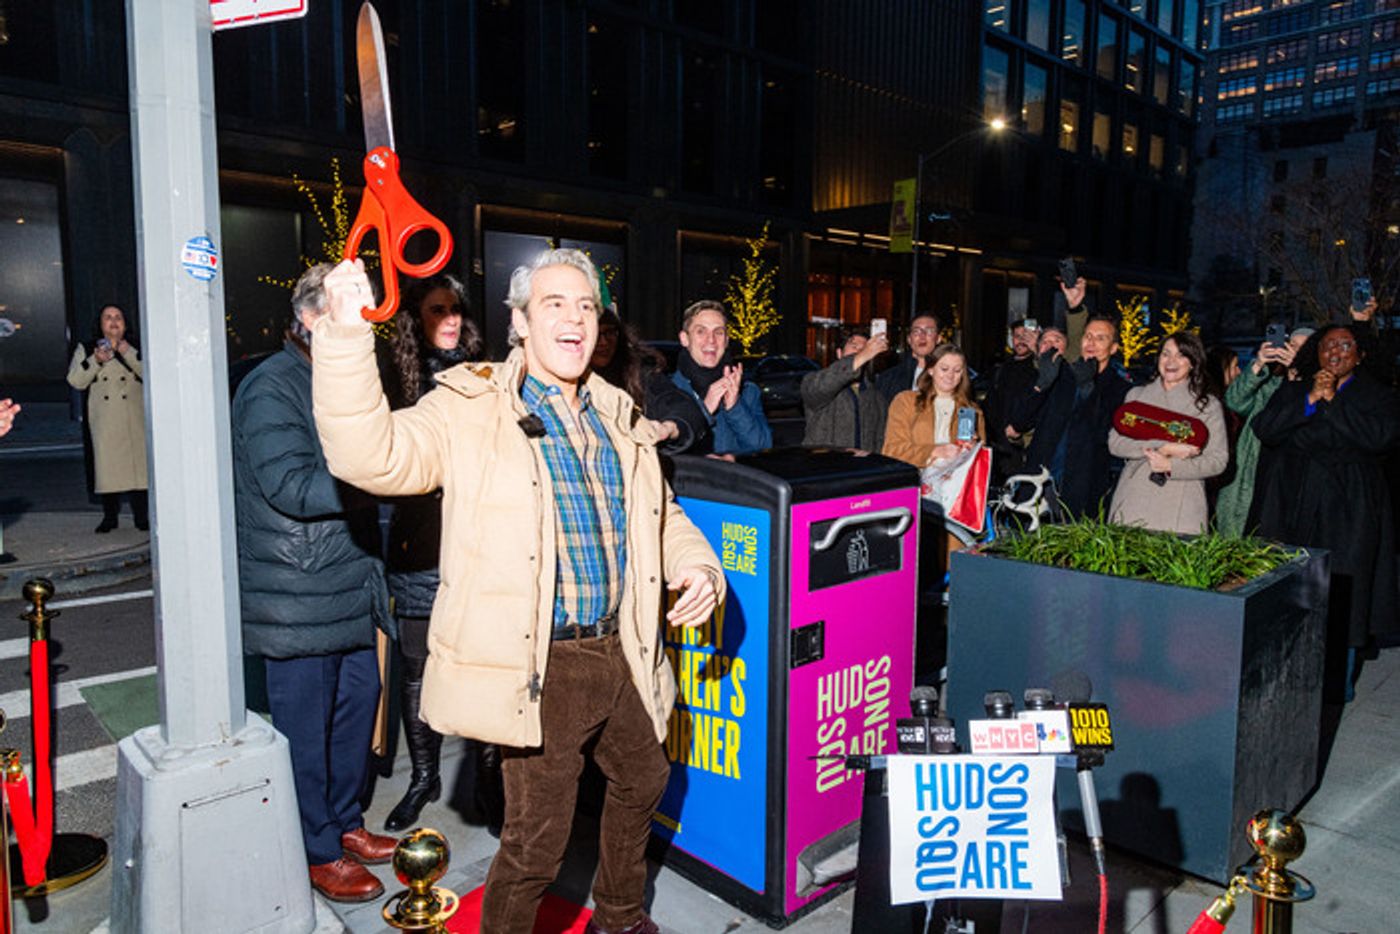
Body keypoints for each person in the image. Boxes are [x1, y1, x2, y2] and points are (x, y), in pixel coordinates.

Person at [310, 249, 724, 934]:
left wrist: (700, 568)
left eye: (586, 306)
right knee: (538, 841)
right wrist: (346, 335)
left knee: (646, 779)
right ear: (520, 322)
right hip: (543, 664)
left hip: (625, 648)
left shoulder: (617, 411)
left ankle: (619, 917)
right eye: (554, 304)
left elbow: (661, 513)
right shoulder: (467, 406)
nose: (574, 318)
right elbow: (369, 454)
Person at [231, 264, 398, 902]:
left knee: (359, 702)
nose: (364, 323)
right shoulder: (273, 387)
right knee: (306, 726)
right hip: (296, 590)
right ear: (310, 318)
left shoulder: (339, 380)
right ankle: (315, 846)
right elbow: (292, 486)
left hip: (345, 580)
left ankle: (344, 821)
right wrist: (379, 476)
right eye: (349, 308)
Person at [379, 274, 504, 834]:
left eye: (456, 310)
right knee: (415, 671)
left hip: (477, 543)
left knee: (482, 668)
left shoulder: (488, 376)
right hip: (418, 544)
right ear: (416, 317)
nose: (450, 320)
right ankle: (424, 777)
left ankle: (486, 783)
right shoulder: (395, 378)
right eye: (437, 310)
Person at [1251, 324, 1400, 697]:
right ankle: (1286, 677)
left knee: (1344, 595)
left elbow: (1378, 438)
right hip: (1295, 502)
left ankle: (1337, 686)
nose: (1335, 352)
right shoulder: (1298, 389)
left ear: (1361, 353)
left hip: (1350, 508)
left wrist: (1332, 404)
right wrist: (1310, 402)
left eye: (1345, 345)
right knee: (1291, 590)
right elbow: (1266, 429)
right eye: (1327, 346)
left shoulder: (1379, 396)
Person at [1010, 315, 1134, 518]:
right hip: (1038, 486)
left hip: (1081, 494)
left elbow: (1104, 436)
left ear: (1113, 348)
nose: (1091, 343)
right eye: (1088, 336)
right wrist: (1041, 385)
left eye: (1101, 338)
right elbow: (1019, 421)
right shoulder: (1061, 375)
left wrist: (1088, 390)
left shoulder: (1121, 389)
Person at [1106, 333, 1228, 535]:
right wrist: (1160, 446)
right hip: (1134, 495)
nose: (1171, 361)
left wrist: (1171, 466)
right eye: (1165, 354)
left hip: (1182, 501)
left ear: (1192, 363)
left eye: (1181, 355)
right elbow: (1115, 443)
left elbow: (1218, 460)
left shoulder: (1207, 405)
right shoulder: (1137, 396)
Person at [1214, 327, 1310, 536]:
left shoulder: (1318, 390)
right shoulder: (1269, 384)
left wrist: (1298, 372)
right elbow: (1234, 401)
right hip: (1253, 476)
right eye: (1292, 345)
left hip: (1289, 483)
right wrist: (1258, 363)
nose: (1295, 351)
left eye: (1303, 347)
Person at [66, 304, 149, 533]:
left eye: (118, 317)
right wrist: (96, 360)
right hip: (105, 420)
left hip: (133, 417)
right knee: (108, 469)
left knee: (137, 470)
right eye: (107, 317)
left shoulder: (138, 345)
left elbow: (150, 373)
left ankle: (141, 517)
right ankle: (109, 517)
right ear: (100, 324)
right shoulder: (86, 348)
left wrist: (127, 352)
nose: (113, 322)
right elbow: (75, 380)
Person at [592, 304, 707, 454]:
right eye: (596, 334)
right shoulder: (561, 382)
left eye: (610, 332)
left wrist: (669, 428)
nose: (604, 342)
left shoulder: (637, 374)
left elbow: (678, 404)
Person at [670, 299, 771, 455]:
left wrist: (735, 407)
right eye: (701, 331)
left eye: (718, 332)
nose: (711, 340)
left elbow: (763, 447)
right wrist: (705, 410)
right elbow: (663, 453)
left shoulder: (747, 391)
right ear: (685, 339)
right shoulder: (667, 391)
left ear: (726, 340)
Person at [799, 326, 889, 451]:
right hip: (825, 467)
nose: (860, 351)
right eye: (854, 346)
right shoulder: (816, 381)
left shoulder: (876, 397)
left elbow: (879, 440)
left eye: (864, 349)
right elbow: (821, 387)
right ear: (839, 353)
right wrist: (861, 356)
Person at [982, 319, 1041, 483]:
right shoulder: (1000, 369)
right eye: (1017, 336)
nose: (1021, 340)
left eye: (1026, 336)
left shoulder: (1040, 369)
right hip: (999, 450)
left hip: (1024, 448)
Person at [875, 313, 939, 403]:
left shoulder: (950, 374)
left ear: (938, 338)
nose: (922, 336)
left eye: (929, 331)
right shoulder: (888, 378)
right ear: (909, 339)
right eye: (916, 331)